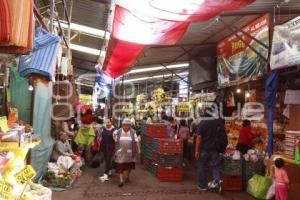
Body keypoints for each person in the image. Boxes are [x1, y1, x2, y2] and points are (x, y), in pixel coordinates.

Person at [195, 108, 226, 191]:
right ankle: (218, 181)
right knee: (215, 166)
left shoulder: (202, 123)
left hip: (204, 149)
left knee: (202, 166)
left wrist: (197, 150)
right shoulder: (217, 122)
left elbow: (199, 138)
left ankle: (203, 186)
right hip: (215, 149)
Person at [114, 118, 141, 187]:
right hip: (120, 152)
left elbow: (136, 141)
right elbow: (114, 139)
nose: (126, 127)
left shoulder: (133, 132)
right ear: (122, 125)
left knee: (130, 165)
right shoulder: (118, 131)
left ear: (130, 126)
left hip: (130, 152)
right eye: (125, 125)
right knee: (120, 165)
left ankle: (127, 176)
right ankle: (121, 180)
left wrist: (139, 149)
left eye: (128, 125)